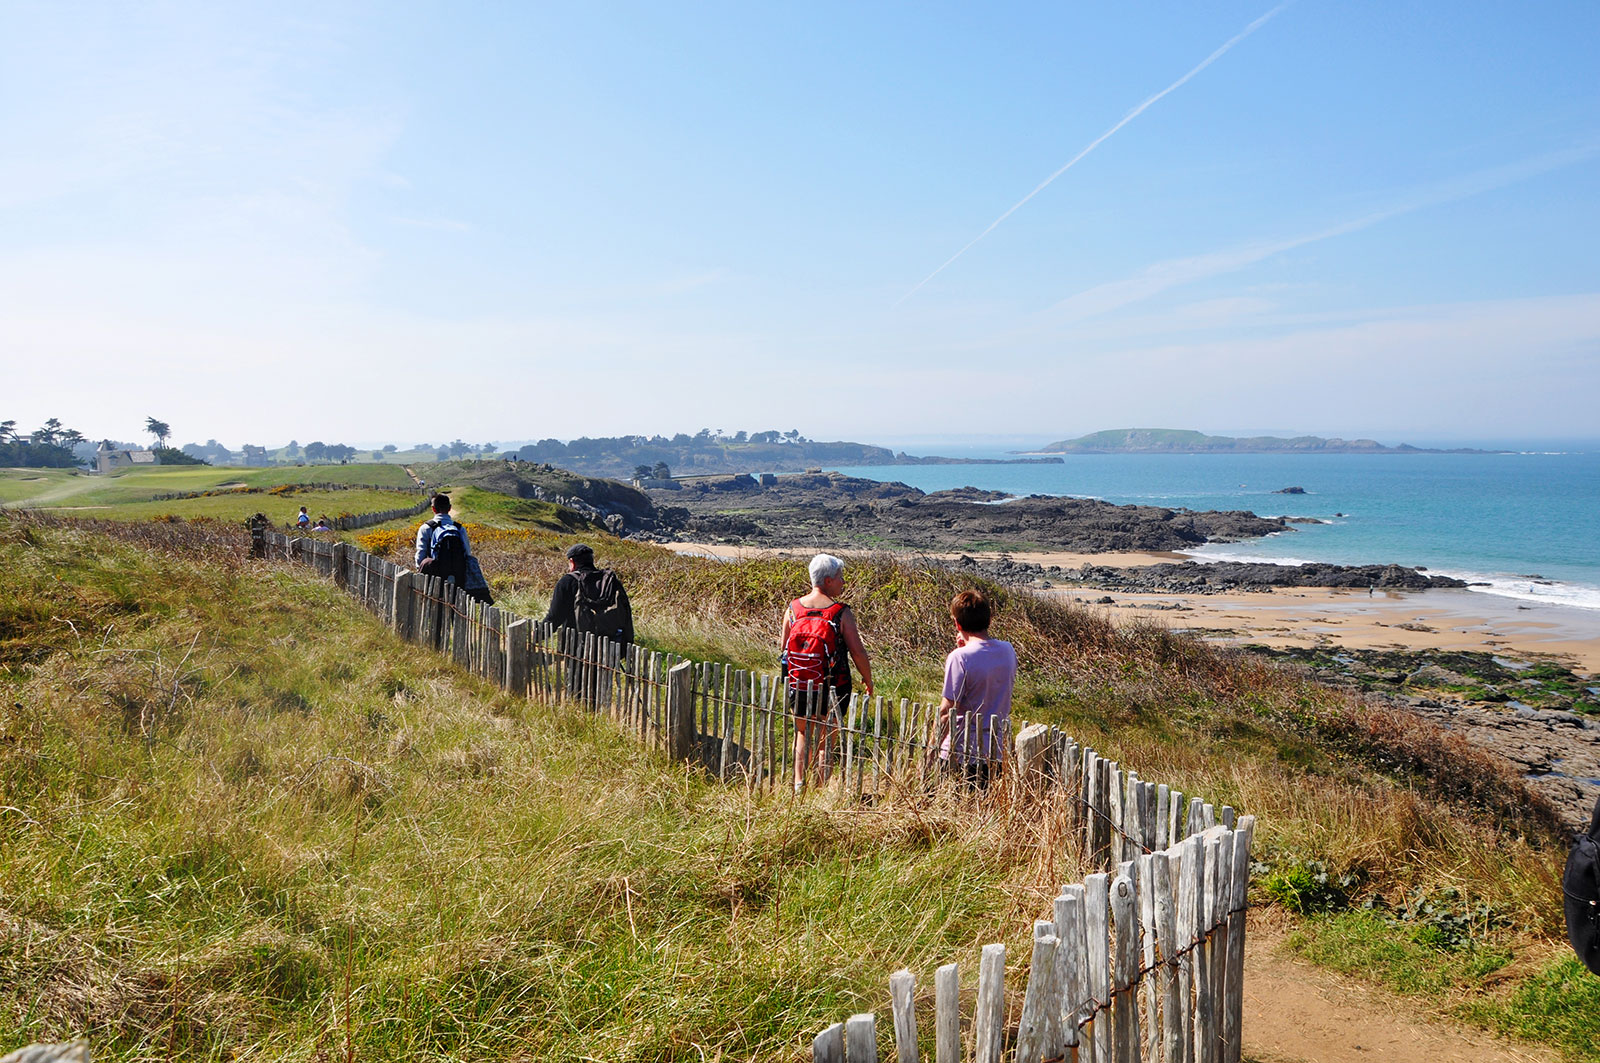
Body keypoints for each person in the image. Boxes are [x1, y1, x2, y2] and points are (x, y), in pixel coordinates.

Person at [781, 553, 873, 792]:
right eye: (840, 577)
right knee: (825, 740)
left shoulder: (793, 609)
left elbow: (783, 649)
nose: (843, 582)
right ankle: (820, 790)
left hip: (799, 682)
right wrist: (867, 678)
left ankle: (799, 783)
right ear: (828, 581)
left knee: (801, 732)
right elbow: (858, 652)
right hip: (834, 685)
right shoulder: (840, 612)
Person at [931, 590, 1016, 789]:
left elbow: (947, 711)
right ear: (989, 620)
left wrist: (931, 751)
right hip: (996, 750)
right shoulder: (1007, 650)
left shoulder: (959, 658)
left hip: (962, 751)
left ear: (957, 624)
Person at [544, 543, 634, 643]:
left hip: (576, 647)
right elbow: (626, 614)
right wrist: (628, 643)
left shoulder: (567, 582)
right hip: (609, 646)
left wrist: (538, 634)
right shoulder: (611, 582)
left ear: (572, 562)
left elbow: (555, 617)